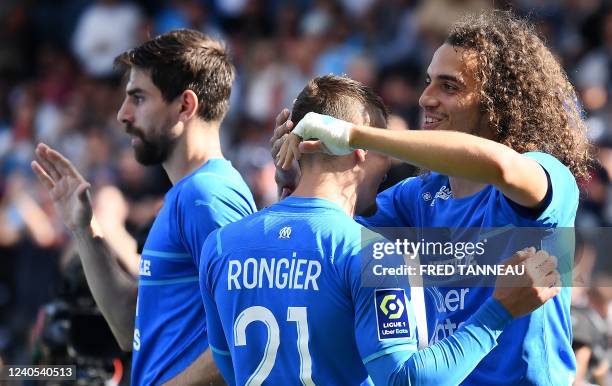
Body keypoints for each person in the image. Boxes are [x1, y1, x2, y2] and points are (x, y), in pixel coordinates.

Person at [272, 11, 590, 385]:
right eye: (428, 82)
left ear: (498, 101)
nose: (426, 98)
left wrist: (357, 136)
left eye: (449, 86)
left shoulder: (546, 176)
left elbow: (500, 167)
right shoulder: (418, 197)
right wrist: (294, 173)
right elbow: (326, 233)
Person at [201, 75, 560, 385]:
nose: (387, 168)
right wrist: (496, 313)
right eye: (380, 148)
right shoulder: (375, 252)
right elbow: (406, 380)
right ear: (360, 152)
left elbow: (228, 366)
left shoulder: (220, 245)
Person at [31, 29, 256, 385]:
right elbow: (126, 326)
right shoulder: (185, 196)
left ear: (185, 105)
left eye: (138, 98)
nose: (122, 115)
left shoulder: (206, 196)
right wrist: (85, 230)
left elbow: (247, 333)